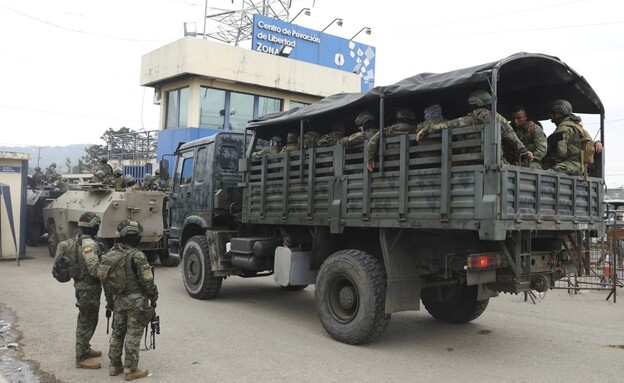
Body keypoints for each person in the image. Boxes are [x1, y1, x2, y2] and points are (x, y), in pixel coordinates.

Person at [104, 219, 158, 381]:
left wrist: (110, 302)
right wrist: (154, 296)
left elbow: (105, 282)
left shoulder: (111, 254)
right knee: (133, 335)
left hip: (119, 300)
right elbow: (148, 282)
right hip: (136, 302)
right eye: (137, 235)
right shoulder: (138, 256)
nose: (139, 238)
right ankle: (130, 369)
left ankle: (114, 366)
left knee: (118, 332)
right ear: (133, 237)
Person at [417, 90, 534, 164]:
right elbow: (513, 138)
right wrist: (525, 151)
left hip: (472, 163)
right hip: (495, 163)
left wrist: (427, 129)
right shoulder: (498, 118)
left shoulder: (467, 119)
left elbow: (447, 125)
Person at [55, 212, 104, 369]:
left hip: (83, 286)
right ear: (94, 226)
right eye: (97, 225)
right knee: (86, 320)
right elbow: (94, 269)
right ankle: (81, 357)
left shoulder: (77, 239)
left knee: (90, 318)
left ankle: (85, 348)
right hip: (88, 288)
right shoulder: (89, 244)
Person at [542, 99, 601, 176]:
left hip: (571, 165)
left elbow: (561, 152)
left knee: (546, 173)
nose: (552, 117)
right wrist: (598, 142)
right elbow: (589, 142)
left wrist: (548, 160)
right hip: (582, 167)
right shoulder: (579, 128)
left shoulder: (563, 128)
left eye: (554, 114)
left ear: (560, 113)